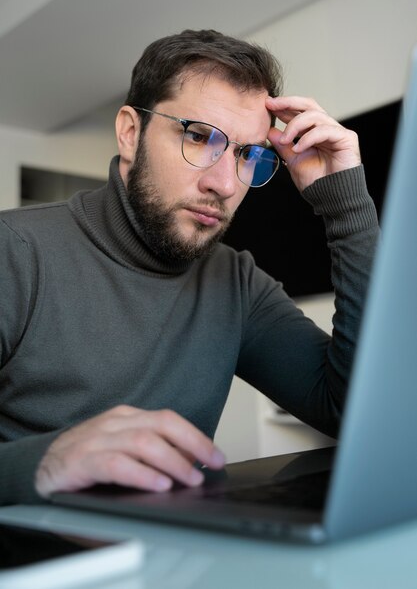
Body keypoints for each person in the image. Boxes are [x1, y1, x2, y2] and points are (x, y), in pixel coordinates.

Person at [0, 29, 378, 505]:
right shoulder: (12, 253)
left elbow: (358, 413)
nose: (224, 183)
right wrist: (47, 461)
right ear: (131, 133)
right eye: (200, 137)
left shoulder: (237, 283)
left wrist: (346, 208)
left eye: (248, 154)